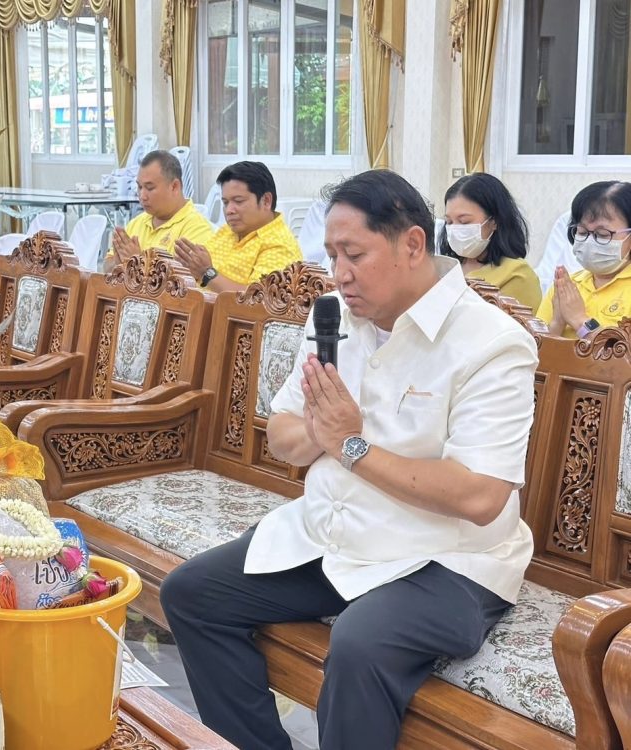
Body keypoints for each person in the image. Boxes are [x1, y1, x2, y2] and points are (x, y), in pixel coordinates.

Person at [160, 169, 538, 750]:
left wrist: (351, 446)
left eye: (354, 254)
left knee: (361, 644)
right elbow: (282, 435)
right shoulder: (332, 316)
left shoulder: (491, 343)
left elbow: (480, 496)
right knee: (192, 592)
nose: (338, 272)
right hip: (337, 533)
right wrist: (324, 430)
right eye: (332, 254)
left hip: (445, 557)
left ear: (413, 244)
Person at [173, 161, 302, 293]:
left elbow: (258, 299)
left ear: (266, 201)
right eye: (225, 203)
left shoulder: (280, 245)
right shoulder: (227, 231)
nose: (229, 210)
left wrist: (207, 274)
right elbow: (199, 274)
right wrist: (189, 268)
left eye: (238, 201)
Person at [536, 181, 631, 338]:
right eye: (581, 232)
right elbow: (536, 349)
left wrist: (580, 321)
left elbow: (622, 353)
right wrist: (557, 323)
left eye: (602, 235)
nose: (589, 241)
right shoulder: (567, 286)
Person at [440, 173, 541, 311]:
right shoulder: (444, 268)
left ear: (494, 221)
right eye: (449, 222)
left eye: (464, 222)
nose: (455, 230)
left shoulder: (516, 274)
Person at [105, 150, 214, 270]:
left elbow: (184, 280)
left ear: (174, 186)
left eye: (150, 188)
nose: (142, 196)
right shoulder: (137, 223)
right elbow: (106, 266)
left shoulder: (197, 229)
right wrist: (118, 263)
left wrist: (138, 262)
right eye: (139, 187)